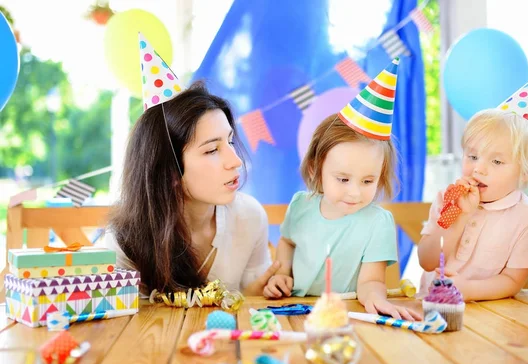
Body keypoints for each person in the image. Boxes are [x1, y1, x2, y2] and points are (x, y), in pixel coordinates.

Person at [106, 33, 278, 296]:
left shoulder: (249, 217)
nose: (235, 162)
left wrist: (266, 290)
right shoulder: (126, 240)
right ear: (169, 170)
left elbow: (251, 305)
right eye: (211, 150)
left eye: (230, 141)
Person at [263, 58, 421, 321]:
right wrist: (281, 275)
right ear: (315, 169)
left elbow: (371, 281)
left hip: (346, 317)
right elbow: (288, 241)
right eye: (343, 179)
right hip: (294, 314)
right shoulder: (301, 205)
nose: (355, 193)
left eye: (368, 181)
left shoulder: (377, 223)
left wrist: (377, 300)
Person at [417, 67, 528, 301]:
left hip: (490, 317)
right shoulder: (449, 198)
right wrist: (457, 216)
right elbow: (427, 261)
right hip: (431, 307)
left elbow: (512, 282)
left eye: (497, 161)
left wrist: (465, 290)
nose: (478, 168)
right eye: (472, 156)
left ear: (525, 171)